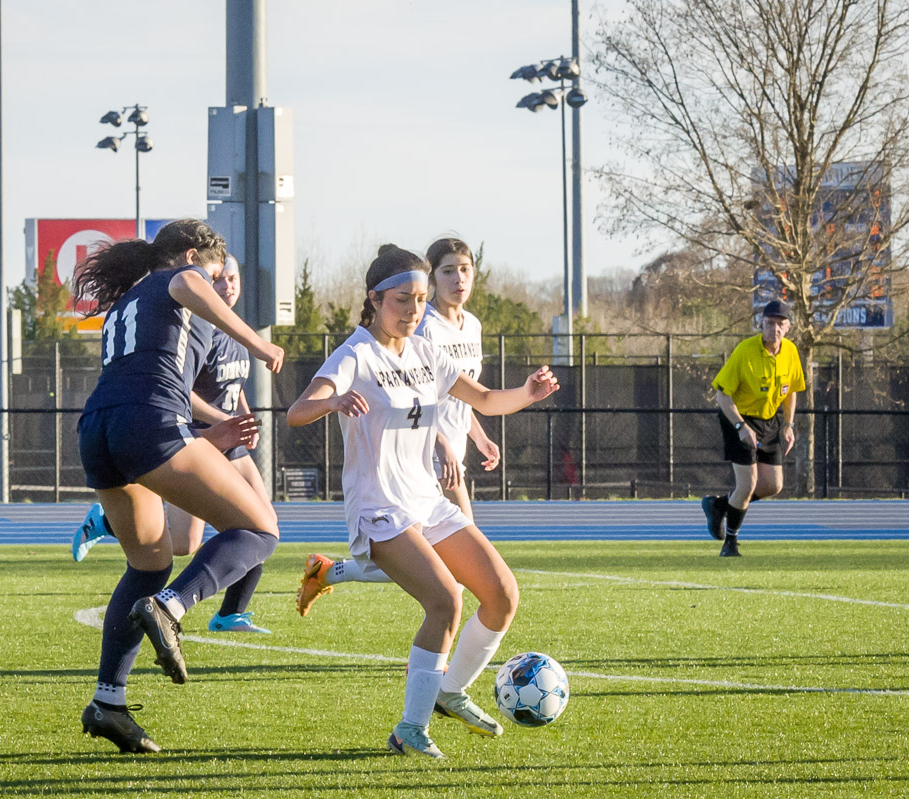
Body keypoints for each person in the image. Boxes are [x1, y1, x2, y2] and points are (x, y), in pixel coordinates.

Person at [287, 244, 558, 759]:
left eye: (418, 299)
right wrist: (335, 400)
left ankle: (450, 692)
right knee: (445, 600)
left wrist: (526, 393)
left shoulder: (425, 352)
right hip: (379, 509)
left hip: (426, 502)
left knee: (501, 594)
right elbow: (297, 413)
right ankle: (408, 730)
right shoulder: (355, 354)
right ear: (374, 299)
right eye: (401, 301)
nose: (413, 311)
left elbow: (483, 401)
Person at [73, 219, 283, 755]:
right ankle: (172, 607)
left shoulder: (128, 303)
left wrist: (214, 426)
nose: (214, 283)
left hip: (98, 429)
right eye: (216, 273)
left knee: (148, 563)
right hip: (146, 424)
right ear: (191, 256)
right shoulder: (182, 280)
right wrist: (256, 342)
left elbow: (165, 379)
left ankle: (108, 704)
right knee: (260, 528)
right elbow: (190, 283)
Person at [72, 255, 275, 634]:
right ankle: (112, 528)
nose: (227, 285)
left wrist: (243, 415)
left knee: (260, 524)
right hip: (191, 434)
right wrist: (218, 420)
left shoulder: (232, 332)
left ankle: (230, 613)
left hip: (231, 440)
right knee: (186, 543)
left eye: (233, 278)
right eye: (219, 278)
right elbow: (182, 389)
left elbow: (235, 386)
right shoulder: (197, 322)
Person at [297, 237, 500, 616]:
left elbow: (466, 395)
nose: (459, 279)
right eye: (448, 270)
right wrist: (440, 442)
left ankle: (330, 572)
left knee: (452, 577)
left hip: (443, 458)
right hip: (417, 463)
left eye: (465, 269)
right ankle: (431, 657)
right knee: (445, 582)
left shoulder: (471, 326)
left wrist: (479, 435)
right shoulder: (419, 332)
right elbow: (411, 399)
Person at [701, 300, 806, 557]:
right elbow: (722, 397)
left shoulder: (790, 352)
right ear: (761, 323)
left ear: (789, 327)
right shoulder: (745, 351)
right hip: (738, 418)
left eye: (780, 324)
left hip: (769, 421)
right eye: (770, 323)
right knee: (747, 485)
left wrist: (789, 425)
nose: (775, 329)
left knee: (773, 485)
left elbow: (791, 390)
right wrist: (740, 426)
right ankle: (731, 543)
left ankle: (719, 506)